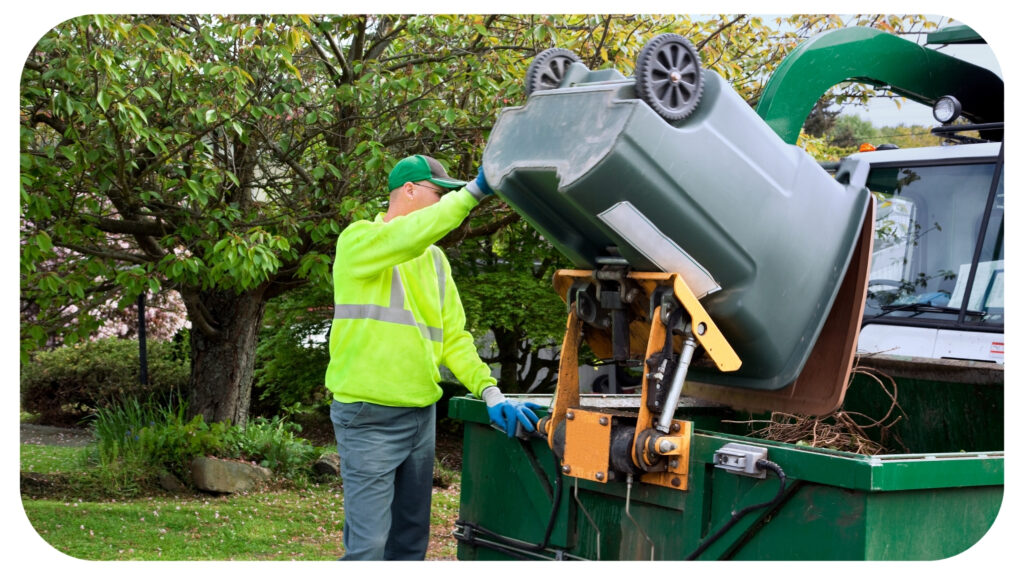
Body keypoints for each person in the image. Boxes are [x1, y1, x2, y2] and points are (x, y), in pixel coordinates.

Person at [325, 154, 542, 561]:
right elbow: (408, 235)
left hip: (420, 417)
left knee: (410, 543)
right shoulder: (358, 241)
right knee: (368, 547)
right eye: (438, 193)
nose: (444, 203)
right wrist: (473, 193)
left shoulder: (436, 262)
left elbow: (454, 339)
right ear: (408, 191)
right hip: (367, 416)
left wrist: (490, 391)